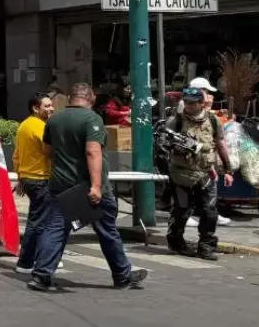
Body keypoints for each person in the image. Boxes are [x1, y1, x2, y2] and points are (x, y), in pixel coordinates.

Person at [29, 82, 147, 291]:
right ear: (90, 97)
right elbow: (93, 152)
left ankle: (41, 275)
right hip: (86, 186)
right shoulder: (92, 119)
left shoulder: (54, 119)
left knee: (55, 229)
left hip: (60, 184)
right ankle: (122, 275)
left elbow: (47, 151)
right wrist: (96, 186)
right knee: (107, 230)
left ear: (70, 98)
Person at [164, 86, 233, 260]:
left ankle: (206, 247)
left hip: (204, 173)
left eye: (193, 103)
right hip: (181, 174)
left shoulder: (212, 120)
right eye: (186, 101)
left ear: (202, 104)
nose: (188, 105)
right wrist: (176, 146)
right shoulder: (176, 121)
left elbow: (220, 144)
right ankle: (176, 242)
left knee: (210, 212)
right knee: (182, 210)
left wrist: (228, 170)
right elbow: (163, 143)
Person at [13, 92, 55, 274]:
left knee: (36, 220)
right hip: (40, 179)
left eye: (51, 105)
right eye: (47, 106)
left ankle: (33, 258)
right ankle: (28, 260)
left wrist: (21, 177)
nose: (51, 108)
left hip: (30, 178)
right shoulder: (39, 126)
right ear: (36, 108)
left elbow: (17, 156)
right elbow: (49, 152)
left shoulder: (24, 125)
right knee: (39, 222)